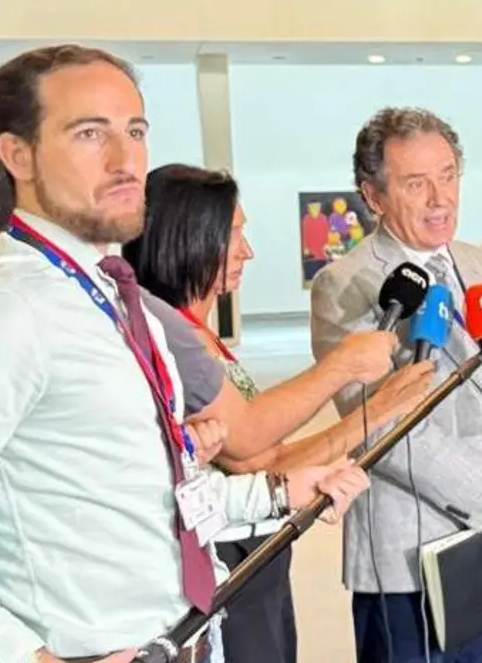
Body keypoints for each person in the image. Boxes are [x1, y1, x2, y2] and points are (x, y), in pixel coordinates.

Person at [0, 44, 368, 663]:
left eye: (134, 130)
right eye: (89, 132)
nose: (125, 159)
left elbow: (152, 494)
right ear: (17, 154)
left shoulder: (110, 294)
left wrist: (279, 491)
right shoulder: (15, 307)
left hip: (187, 638)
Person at [123, 163, 438, 663]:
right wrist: (341, 367)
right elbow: (249, 445)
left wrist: (376, 409)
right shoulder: (169, 334)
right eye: (234, 234)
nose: (247, 250)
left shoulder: (202, 337)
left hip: (259, 549)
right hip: (223, 558)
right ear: (189, 237)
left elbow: (269, 458)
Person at [311, 107, 482, 663]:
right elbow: (380, 424)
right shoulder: (345, 285)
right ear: (372, 195)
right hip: (406, 557)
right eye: (415, 183)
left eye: (447, 176)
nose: (439, 198)